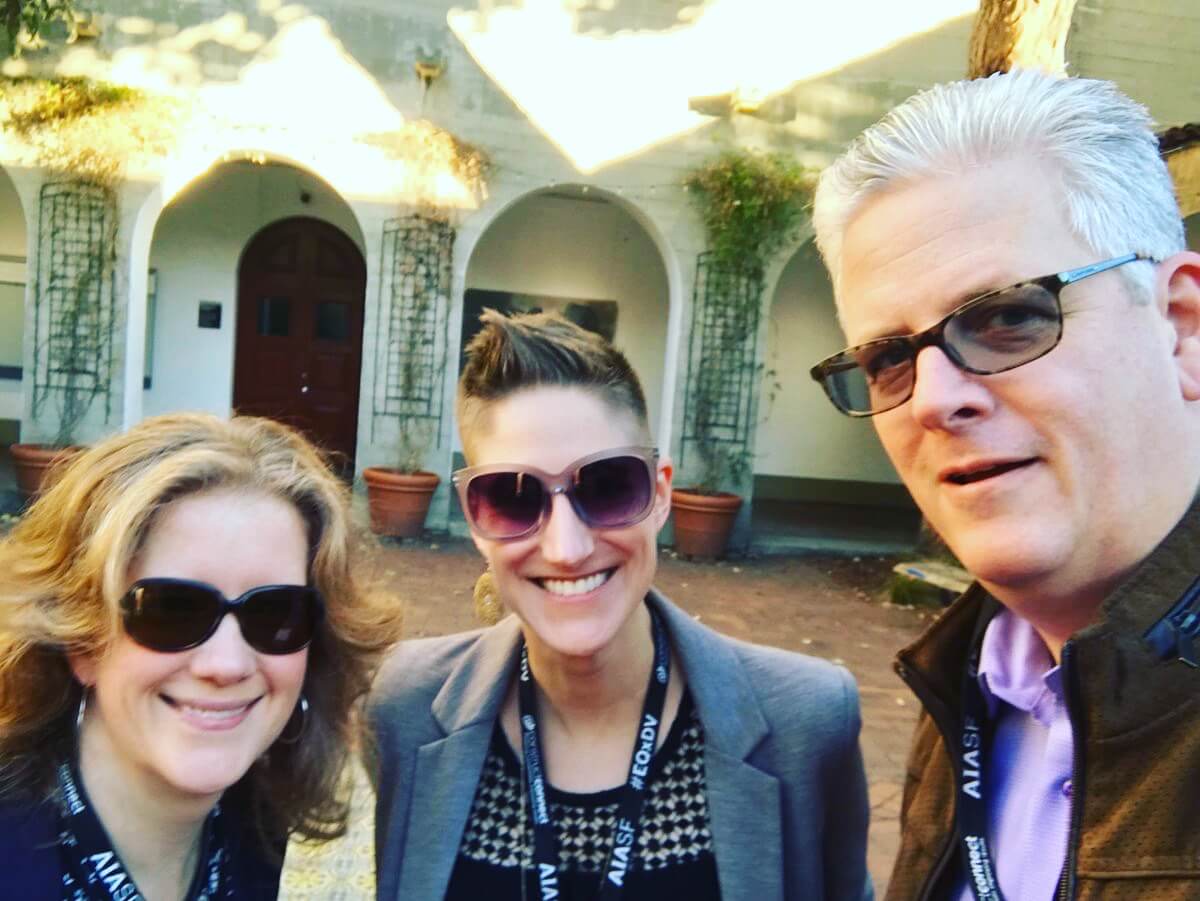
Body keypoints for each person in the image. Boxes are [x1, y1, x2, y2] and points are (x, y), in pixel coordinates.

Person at [809, 68, 1200, 900]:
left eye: (1008, 316)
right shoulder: (971, 680)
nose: (934, 399)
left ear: (1181, 328)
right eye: (889, 359)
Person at [370, 310, 872, 901]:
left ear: (660, 494)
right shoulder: (406, 708)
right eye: (513, 497)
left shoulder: (807, 723)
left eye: (607, 486)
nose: (567, 549)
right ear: (475, 519)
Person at [0, 413, 402, 900]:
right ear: (81, 642)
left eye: (276, 613)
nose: (227, 665)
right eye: (173, 611)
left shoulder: (250, 835)